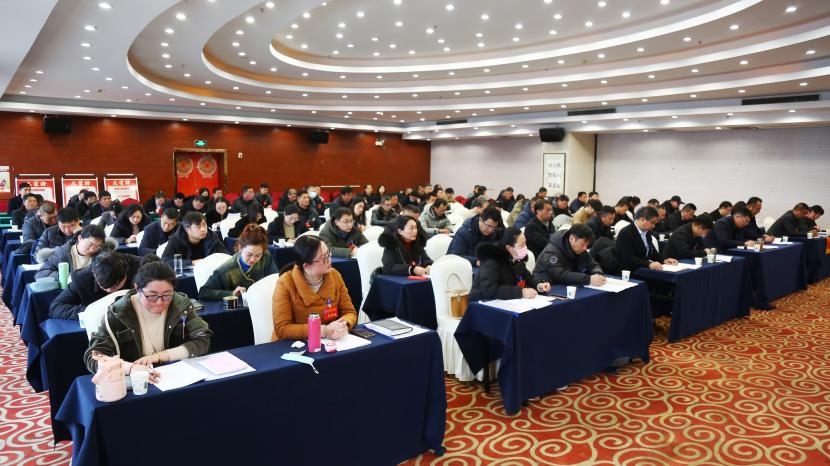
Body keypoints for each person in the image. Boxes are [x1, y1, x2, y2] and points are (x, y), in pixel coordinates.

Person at [83, 261, 213, 377]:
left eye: (167, 295)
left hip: (173, 374)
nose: (160, 302)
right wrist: (130, 368)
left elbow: (203, 340)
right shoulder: (118, 313)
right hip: (137, 381)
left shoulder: (181, 305)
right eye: (152, 296)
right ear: (137, 288)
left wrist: (160, 356)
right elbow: (94, 357)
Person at [271, 236, 357, 341]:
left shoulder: (335, 275)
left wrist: (343, 325)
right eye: (324, 258)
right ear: (307, 266)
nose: (329, 259)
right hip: (294, 344)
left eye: (328, 253)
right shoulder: (285, 282)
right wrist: (323, 330)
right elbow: (282, 328)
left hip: (330, 341)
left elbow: (350, 312)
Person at [49, 251, 145, 320]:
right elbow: (56, 308)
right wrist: (94, 311)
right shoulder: (81, 279)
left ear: (126, 274)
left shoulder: (142, 268)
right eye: (104, 287)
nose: (111, 291)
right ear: (94, 274)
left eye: (116, 286)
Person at [198, 224, 278, 300]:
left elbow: (275, 281)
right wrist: (232, 293)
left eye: (258, 255)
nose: (253, 259)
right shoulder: (226, 269)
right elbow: (204, 292)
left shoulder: (266, 257)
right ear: (240, 248)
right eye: (249, 255)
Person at [472, 227, 550, 300]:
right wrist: (520, 292)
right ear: (509, 248)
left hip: (508, 303)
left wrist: (539, 285)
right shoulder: (491, 261)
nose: (525, 247)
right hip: (483, 303)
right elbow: (489, 290)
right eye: (522, 245)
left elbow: (528, 278)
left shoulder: (516, 259)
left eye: (525, 243)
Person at [532, 223, 606, 286]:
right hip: (547, 287)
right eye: (583, 244)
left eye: (587, 245)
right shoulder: (552, 252)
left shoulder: (579, 249)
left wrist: (597, 274)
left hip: (567, 285)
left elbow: (592, 264)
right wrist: (588, 279)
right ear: (572, 239)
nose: (585, 248)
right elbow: (560, 275)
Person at [614, 207, 678, 272]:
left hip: (642, 268)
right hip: (629, 271)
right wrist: (649, 264)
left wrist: (664, 260)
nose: (654, 226)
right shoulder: (626, 233)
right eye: (652, 222)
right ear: (642, 219)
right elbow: (629, 257)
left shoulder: (646, 231)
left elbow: (652, 251)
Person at [35, 225, 111, 279]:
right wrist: (66, 277)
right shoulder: (62, 253)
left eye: (98, 246)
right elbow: (40, 274)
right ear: (80, 238)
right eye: (90, 245)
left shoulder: (102, 254)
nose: (92, 250)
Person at [161, 211, 228, 263]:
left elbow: (225, 256)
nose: (203, 229)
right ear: (187, 230)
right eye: (198, 227)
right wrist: (191, 263)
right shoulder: (176, 240)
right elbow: (165, 261)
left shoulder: (212, 236)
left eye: (204, 225)